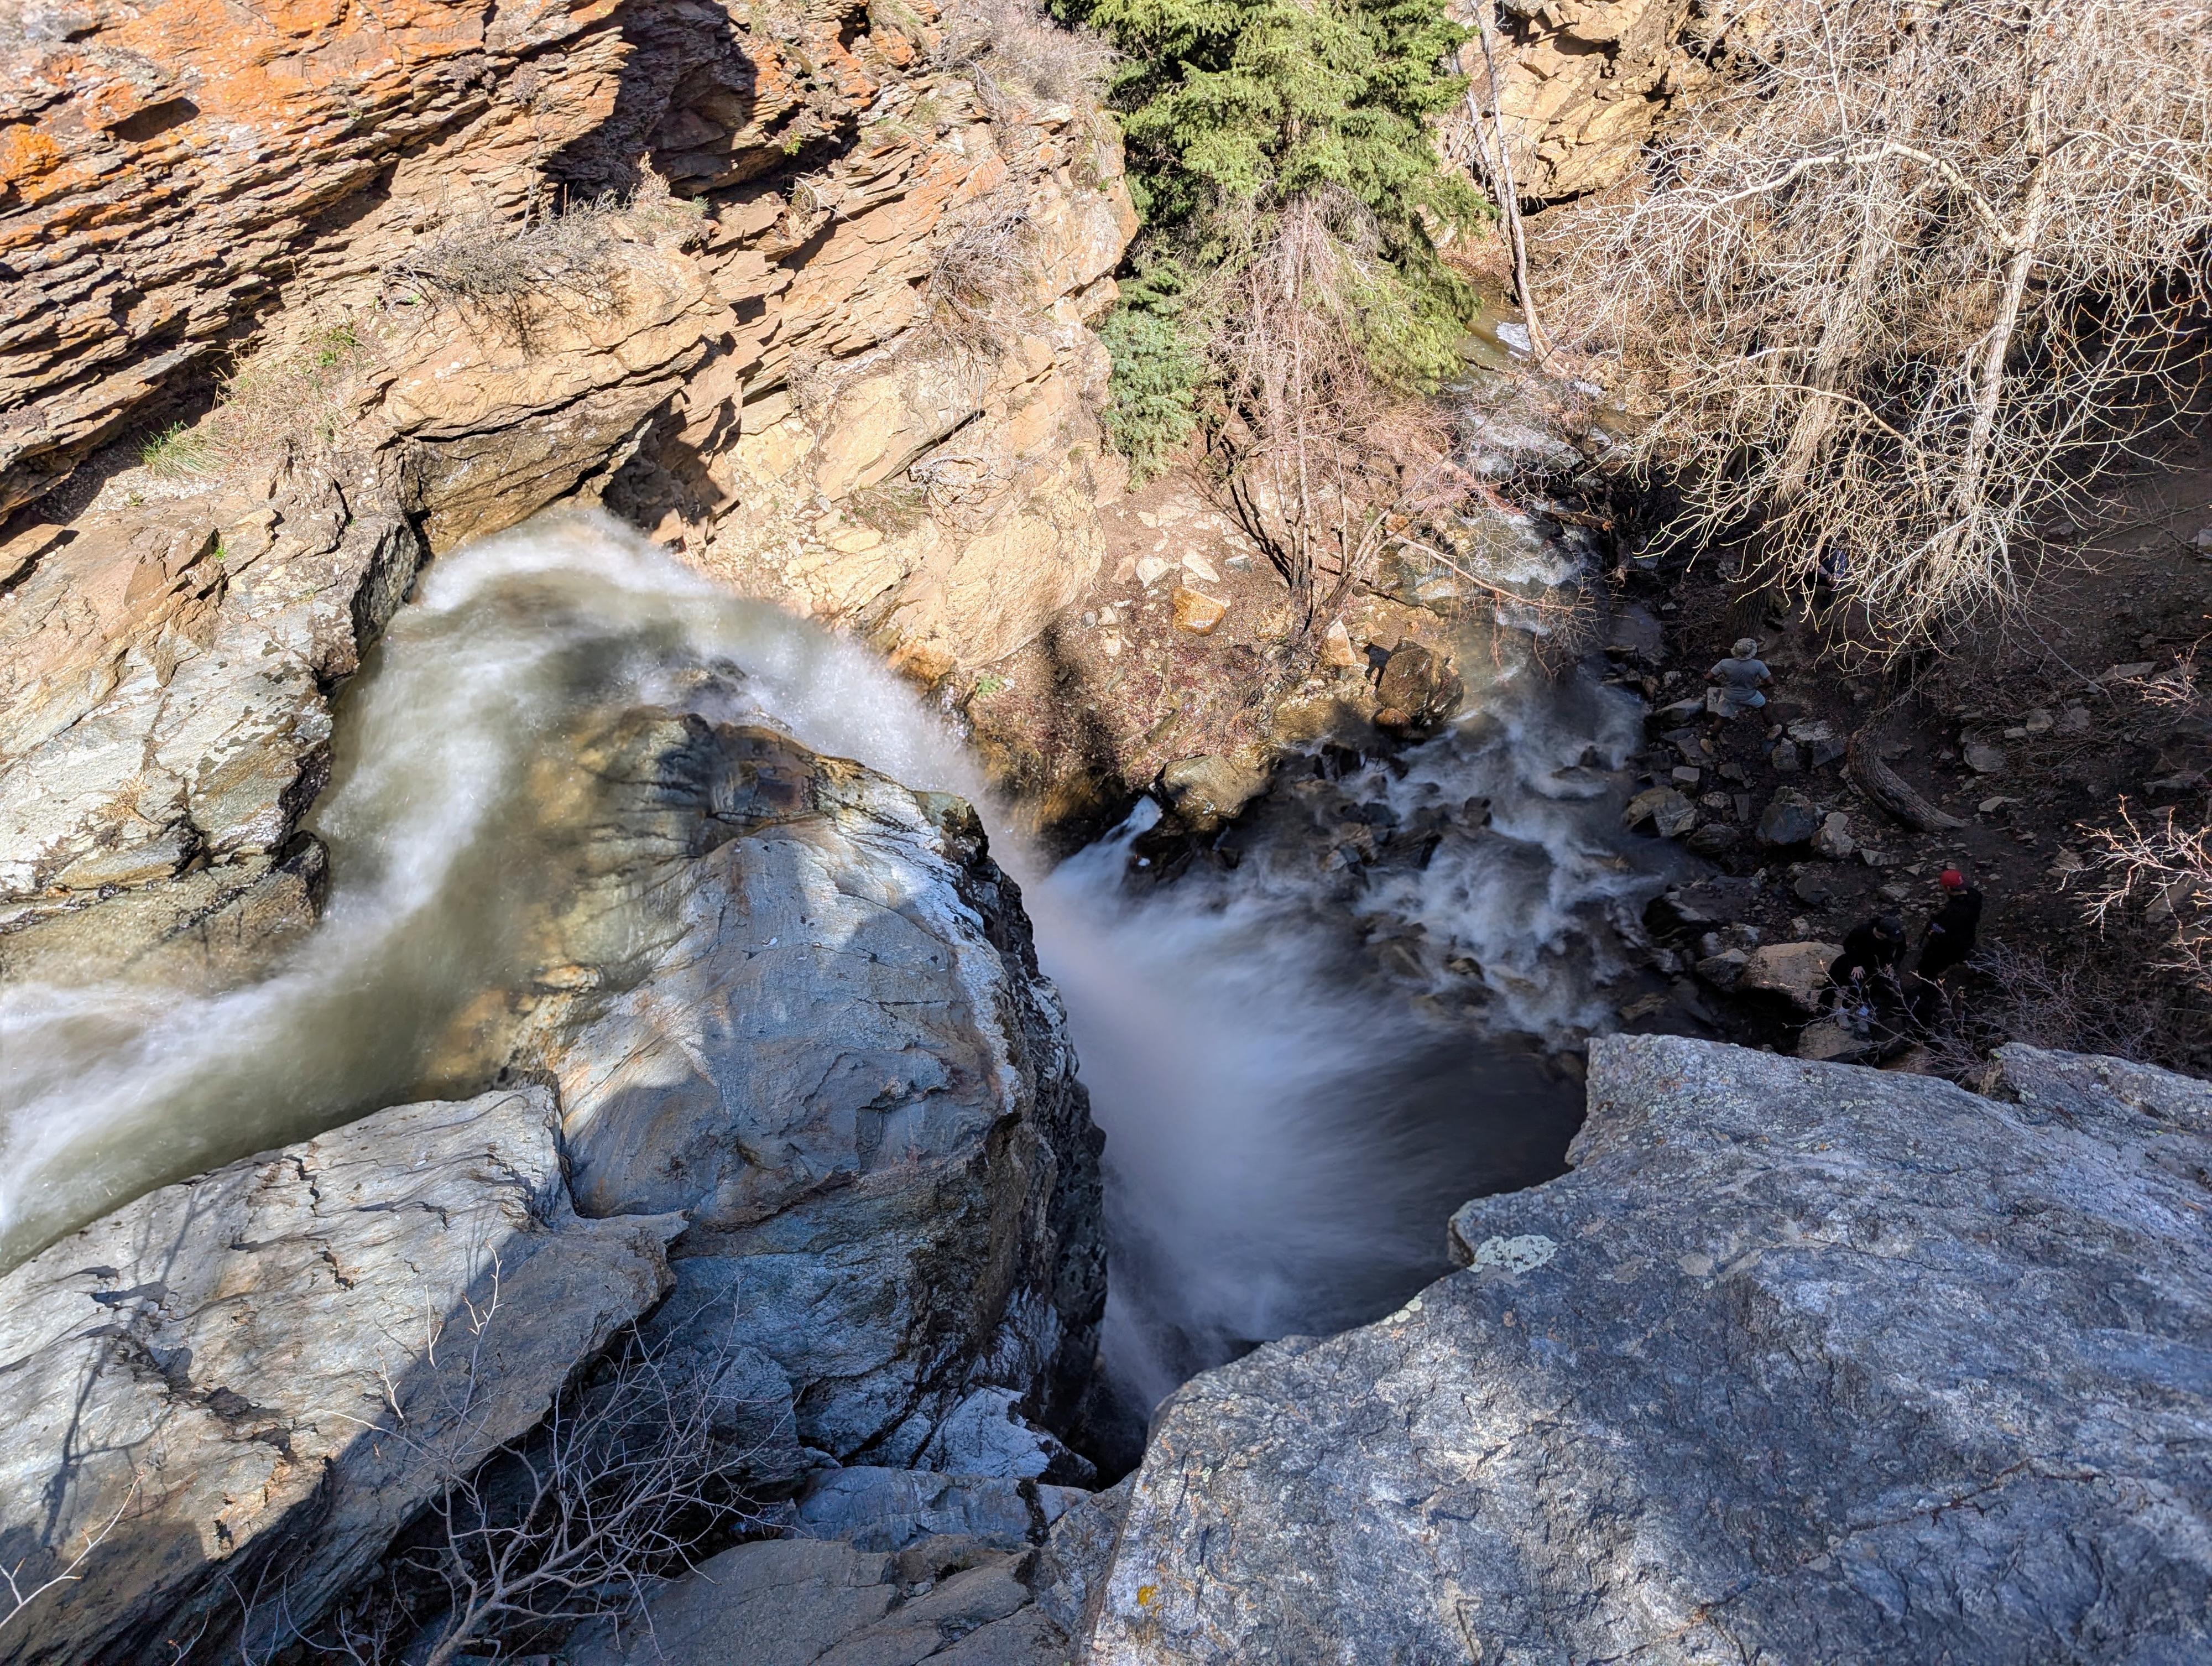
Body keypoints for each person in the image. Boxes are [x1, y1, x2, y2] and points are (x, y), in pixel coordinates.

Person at [1915, 868, 1984, 981]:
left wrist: (1933, 934)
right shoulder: (1974, 895)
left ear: (1948, 888)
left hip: (1952, 946)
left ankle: (1930, 989)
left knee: (1926, 968)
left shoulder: (1953, 913)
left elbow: (1945, 937)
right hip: (1968, 937)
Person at [1829, 915, 1906, 990]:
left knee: (1884, 985)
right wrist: (1856, 964)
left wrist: (1893, 966)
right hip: (1860, 958)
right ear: (1881, 933)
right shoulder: (1862, 931)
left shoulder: (1897, 936)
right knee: (1855, 979)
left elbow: (1901, 950)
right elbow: (1848, 945)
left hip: (1882, 961)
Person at [1705, 637, 1772, 718]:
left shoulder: (1724, 663)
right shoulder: (1758, 664)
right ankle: (1772, 728)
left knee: (1721, 718)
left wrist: (1719, 684)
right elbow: (1771, 682)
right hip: (1750, 695)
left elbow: (1708, 677)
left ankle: (1713, 730)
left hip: (1729, 696)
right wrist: (1761, 687)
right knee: (1764, 708)